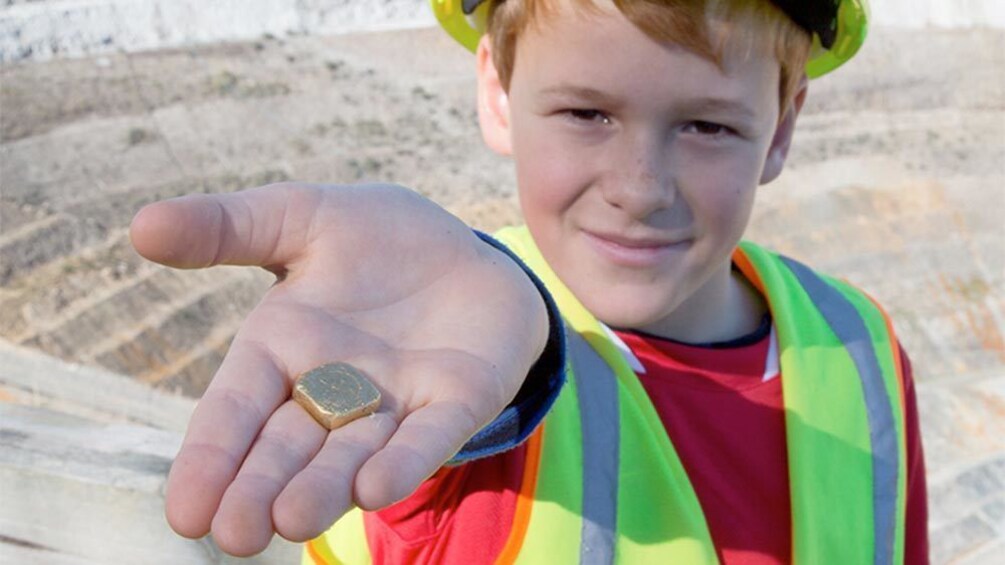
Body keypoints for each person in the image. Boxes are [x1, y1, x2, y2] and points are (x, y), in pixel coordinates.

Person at [129, 0, 929, 563]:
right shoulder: (459, 363)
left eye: (707, 125)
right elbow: (442, 427)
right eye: (587, 114)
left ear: (781, 125)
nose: (640, 186)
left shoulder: (861, 347)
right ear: (498, 95)